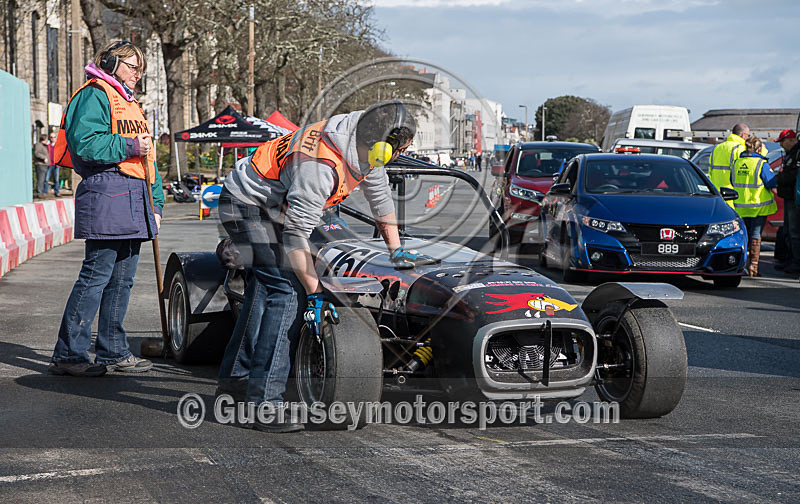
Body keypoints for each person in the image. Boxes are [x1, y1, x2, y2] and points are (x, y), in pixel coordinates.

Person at [216, 100, 437, 432]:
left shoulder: (364, 142)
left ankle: (235, 381)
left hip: (276, 205)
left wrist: (397, 252)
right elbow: (295, 236)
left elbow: (380, 201)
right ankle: (263, 404)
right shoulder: (320, 166)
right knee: (287, 292)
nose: (404, 151)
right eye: (402, 147)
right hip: (246, 204)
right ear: (382, 145)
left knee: (265, 289)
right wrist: (315, 291)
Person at [49, 40, 164, 377]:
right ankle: (69, 354)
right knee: (95, 278)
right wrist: (129, 144)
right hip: (107, 194)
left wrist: (156, 204)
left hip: (134, 198)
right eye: (132, 66)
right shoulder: (94, 95)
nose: (137, 73)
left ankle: (112, 350)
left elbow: (148, 161)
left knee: (122, 281)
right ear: (111, 63)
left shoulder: (131, 104)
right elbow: (84, 144)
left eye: (141, 68)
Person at [731, 136, 777, 277]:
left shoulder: (737, 163)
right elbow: (771, 183)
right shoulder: (761, 164)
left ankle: (741, 266)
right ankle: (753, 267)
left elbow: (732, 181)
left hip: (741, 207)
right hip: (758, 207)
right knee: (755, 235)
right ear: (758, 149)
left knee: (743, 237)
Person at [774, 129, 800, 274]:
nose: (781, 146)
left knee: (794, 232)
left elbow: (793, 175)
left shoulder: (796, 154)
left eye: (783, 142)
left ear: (791, 141)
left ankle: (796, 262)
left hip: (794, 198)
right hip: (790, 198)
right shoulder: (792, 154)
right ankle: (790, 260)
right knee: (789, 232)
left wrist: (779, 178)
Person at [46, 131, 60, 197]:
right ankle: (45, 192)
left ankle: (57, 192)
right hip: (49, 164)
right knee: (46, 178)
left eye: (54, 137)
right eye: (51, 137)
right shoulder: (47, 146)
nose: (52, 138)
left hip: (56, 164)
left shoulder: (58, 145)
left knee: (56, 179)